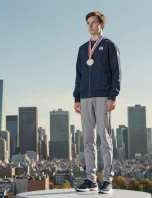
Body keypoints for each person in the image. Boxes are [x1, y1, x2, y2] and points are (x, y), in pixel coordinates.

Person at [73, 11, 121, 194]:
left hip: (103, 96)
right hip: (85, 97)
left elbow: (116, 73)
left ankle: (107, 180)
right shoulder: (82, 49)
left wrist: (112, 96)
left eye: (94, 22)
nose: (90, 26)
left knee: (105, 138)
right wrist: (77, 98)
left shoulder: (109, 46)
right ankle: (91, 180)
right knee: (87, 140)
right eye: (88, 23)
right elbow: (78, 75)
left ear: (102, 25)